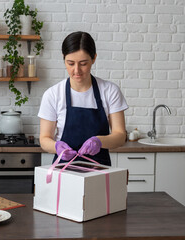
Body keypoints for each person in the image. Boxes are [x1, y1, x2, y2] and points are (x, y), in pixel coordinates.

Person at [38, 31, 128, 165]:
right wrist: (57, 147)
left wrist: (99, 141)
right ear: (63, 59)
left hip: (99, 171)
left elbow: (120, 136)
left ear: (94, 58)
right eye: (70, 63)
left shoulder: (110, 91)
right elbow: (45, 139)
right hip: (64, 170)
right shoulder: (53, 94)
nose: (76, 70)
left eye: (83, 63)